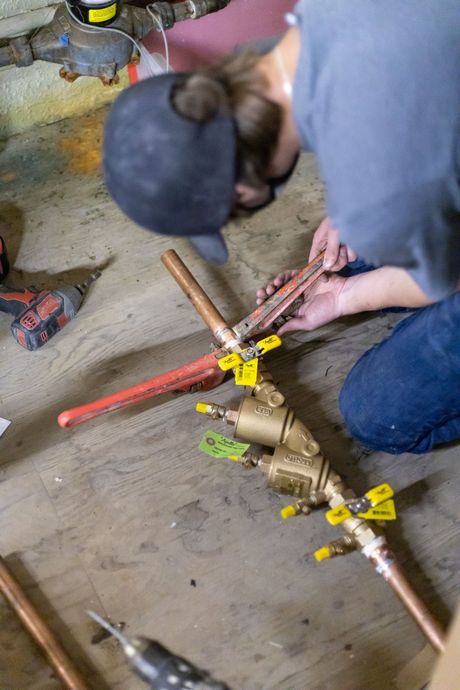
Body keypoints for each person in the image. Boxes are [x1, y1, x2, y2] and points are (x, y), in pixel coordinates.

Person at [103, 0, 460, 455]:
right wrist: (355, 210)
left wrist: (346, 297)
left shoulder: (373, 167)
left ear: (240, 188)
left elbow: (447, 276)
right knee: (358, 257)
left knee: (377, 415)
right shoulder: (317, 23)